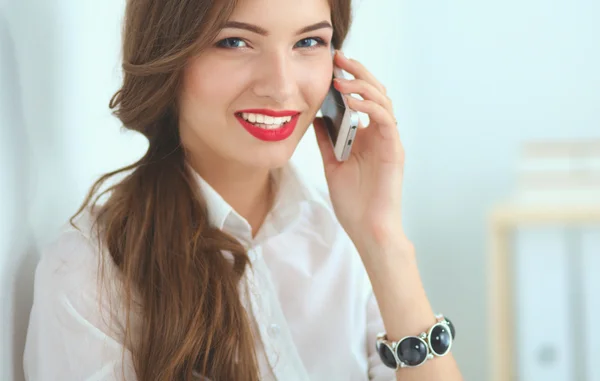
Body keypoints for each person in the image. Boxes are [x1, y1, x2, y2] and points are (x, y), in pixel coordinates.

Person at [23, 0, 464, 380]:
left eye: (308, 42)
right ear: (169, 55)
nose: (281, 86)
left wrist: (383, 241)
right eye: (235, 42)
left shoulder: (341, 234)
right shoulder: (90, 273)